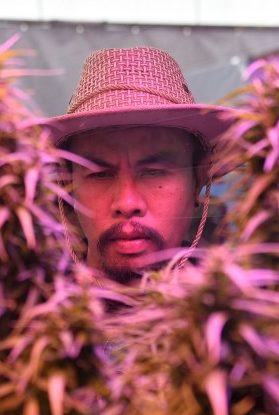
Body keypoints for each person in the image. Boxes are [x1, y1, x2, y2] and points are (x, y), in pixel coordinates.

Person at [42, 47, 235, 283]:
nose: (127, 203)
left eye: (154, 172)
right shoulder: (21, 311)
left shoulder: (246, 313)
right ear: (66, 182)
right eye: (100, 174)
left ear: (201, 179)